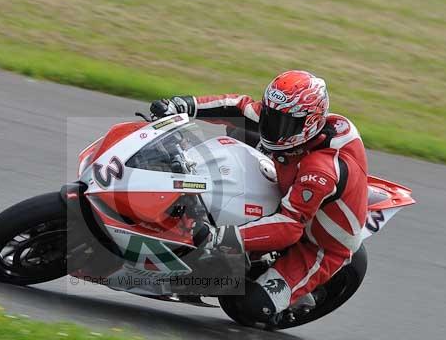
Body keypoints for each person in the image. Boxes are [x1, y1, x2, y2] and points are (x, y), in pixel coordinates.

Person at [147, 70, 368, 322]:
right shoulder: (293, 122)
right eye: (270, 116)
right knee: (241, 129)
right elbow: (240, 108)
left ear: (307, 123)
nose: (271, 128)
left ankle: (292, 295)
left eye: (281, 123)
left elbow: (290, 227)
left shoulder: (321, 171)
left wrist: (220, 237)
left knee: (248, 306)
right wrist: (185, 105)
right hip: (289, 174)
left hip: (317, 243)